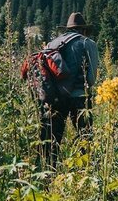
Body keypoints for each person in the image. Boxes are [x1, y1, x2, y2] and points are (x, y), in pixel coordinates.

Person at [40, 12, 99, 168]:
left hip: (54, 98)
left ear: (67, 29)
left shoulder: (52, 44)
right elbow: (91, 78)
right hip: (80, 98)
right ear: (84, 30)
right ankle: (83, 172)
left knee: (52, 140)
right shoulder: (88, 43)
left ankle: (48, 173)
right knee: (85, 137)